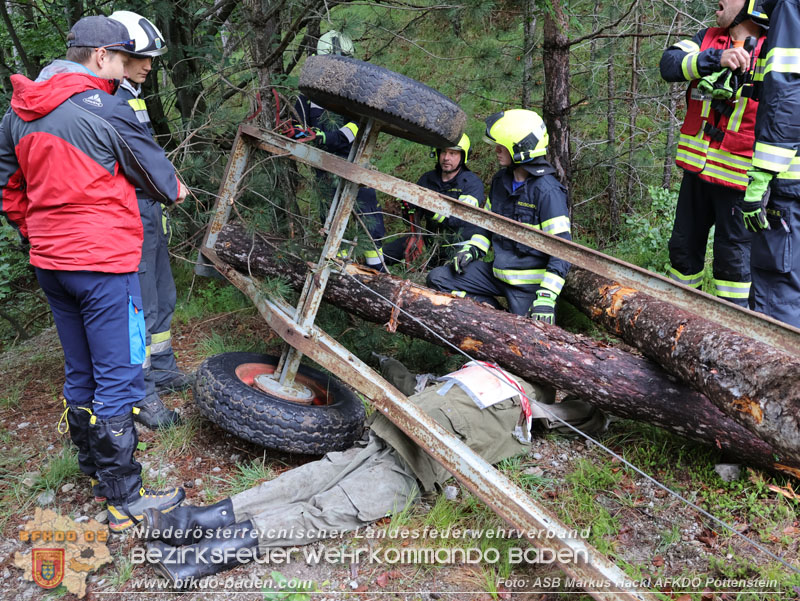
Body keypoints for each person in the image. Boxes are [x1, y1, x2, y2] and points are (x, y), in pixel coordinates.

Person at [137, 357, 604, 586]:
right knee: (319, 498)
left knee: (317, 490)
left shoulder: (500, 386)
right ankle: (198, 540)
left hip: (404, 441)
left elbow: (407, 379)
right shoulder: (516, 392)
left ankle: (198, 536)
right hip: (410, 448)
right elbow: (585, 417)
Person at [0, 15, 186, 532]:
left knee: (81, 371)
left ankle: (93, 471)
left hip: (52, 266)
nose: (125, 68)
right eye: (122, 56)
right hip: (104, 265)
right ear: (101, 55)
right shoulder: (106, 109)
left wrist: (35, 233)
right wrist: (173, 189)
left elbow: (7, 187)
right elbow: (163, 182)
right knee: (120, 374)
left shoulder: (18, 110)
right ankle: (125, 498)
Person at [109, 10, 191, 430]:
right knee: (137, 305)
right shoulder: (106, 100)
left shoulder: (132, 94)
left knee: (161, 293)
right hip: (129, 214)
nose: (149, 65)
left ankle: (163, 369)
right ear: (116, 53)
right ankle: (142, 393)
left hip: (150, 211)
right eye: (142, 57)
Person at [660, 0, 767, 307]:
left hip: (739, 183)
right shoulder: (706, 39)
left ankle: (734, 336)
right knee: (682, 250)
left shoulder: (772, 50)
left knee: (732, 264)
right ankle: (675, 318)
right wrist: (717, 58)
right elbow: (669, 64)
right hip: (696, 173)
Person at [426, 109, 572, 322]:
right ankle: (494, 317)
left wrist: (547, 296)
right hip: (498, 273)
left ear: (521, 148)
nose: (496, 150)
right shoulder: (500, 181)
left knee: (527, 343)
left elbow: (563, 250)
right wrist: (472, 249)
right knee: (438, 278)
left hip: (528, 287)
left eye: (502, 145)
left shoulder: (547, 191)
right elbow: (487, 225)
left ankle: (503, 321)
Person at [294, 30, 386, 270]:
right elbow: (297, 126)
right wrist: (301, 134)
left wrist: (330, 137)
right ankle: (339, 278)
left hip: (356, 165)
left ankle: (380, 278)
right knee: (333, 229)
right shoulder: (307, 96)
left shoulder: (357, 92)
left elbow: (360, 125)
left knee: (371, 226)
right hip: (324, 173)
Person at [742, 0, 800, 327]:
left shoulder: (790, 6)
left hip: (790, 189)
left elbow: (787, 94)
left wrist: (762, 174)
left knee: (778, 307)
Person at [383, 134, 486, 268]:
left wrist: (430, 208)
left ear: (463, 156)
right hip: (429, 242)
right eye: (443, 151)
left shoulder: (472, 184)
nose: (446, 158)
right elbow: (411, 220)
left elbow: (460, 219)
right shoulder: (427, 179)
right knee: (384, 254)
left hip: (458, 247)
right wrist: (408, 209)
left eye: (453, 153)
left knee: (438, 277)